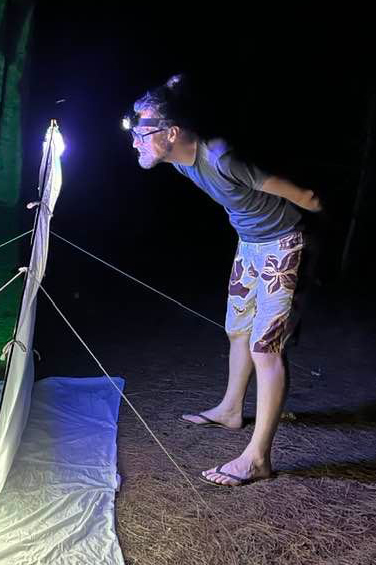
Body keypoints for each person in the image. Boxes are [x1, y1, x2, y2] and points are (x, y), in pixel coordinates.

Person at [126, 74, 322, 486]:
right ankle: (231, 410)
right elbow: (178, 95)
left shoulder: (222, 157)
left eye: (143, 132)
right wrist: (171, 87)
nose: (135, 142)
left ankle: (258, 458)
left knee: (265, 348)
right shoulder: (177, 160)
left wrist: (315, 231)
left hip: (284, 242)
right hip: (249, 244)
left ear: (172, 132)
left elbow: (306, 196)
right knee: (238, 331)